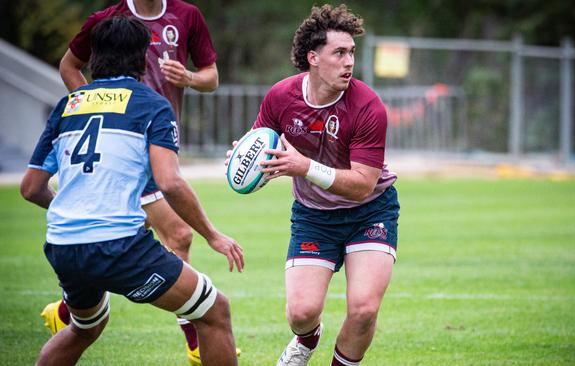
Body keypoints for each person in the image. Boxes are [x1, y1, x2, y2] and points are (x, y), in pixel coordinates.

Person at [21, 16, 242, 366]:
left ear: (94, 58)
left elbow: (31, 188)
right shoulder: (151, 104)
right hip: (118, 247)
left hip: (62, 245)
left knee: (84, 327)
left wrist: (74, 214)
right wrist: (213, 235)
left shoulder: (69, 105)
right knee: (215, 312)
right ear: (143, 59)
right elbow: (169, 182)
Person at [229, 4, 399, 366]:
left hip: (370, 211)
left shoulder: (368, 106)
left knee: (364, 308)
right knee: (301, 313)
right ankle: (307, 339)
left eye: (352, 52)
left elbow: (361, 186)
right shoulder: (281, 97)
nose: (349, 61)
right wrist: (244, 156)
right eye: (339, 52)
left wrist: (304, 167)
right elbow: (261, 141)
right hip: (314, 215)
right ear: (313, 57)